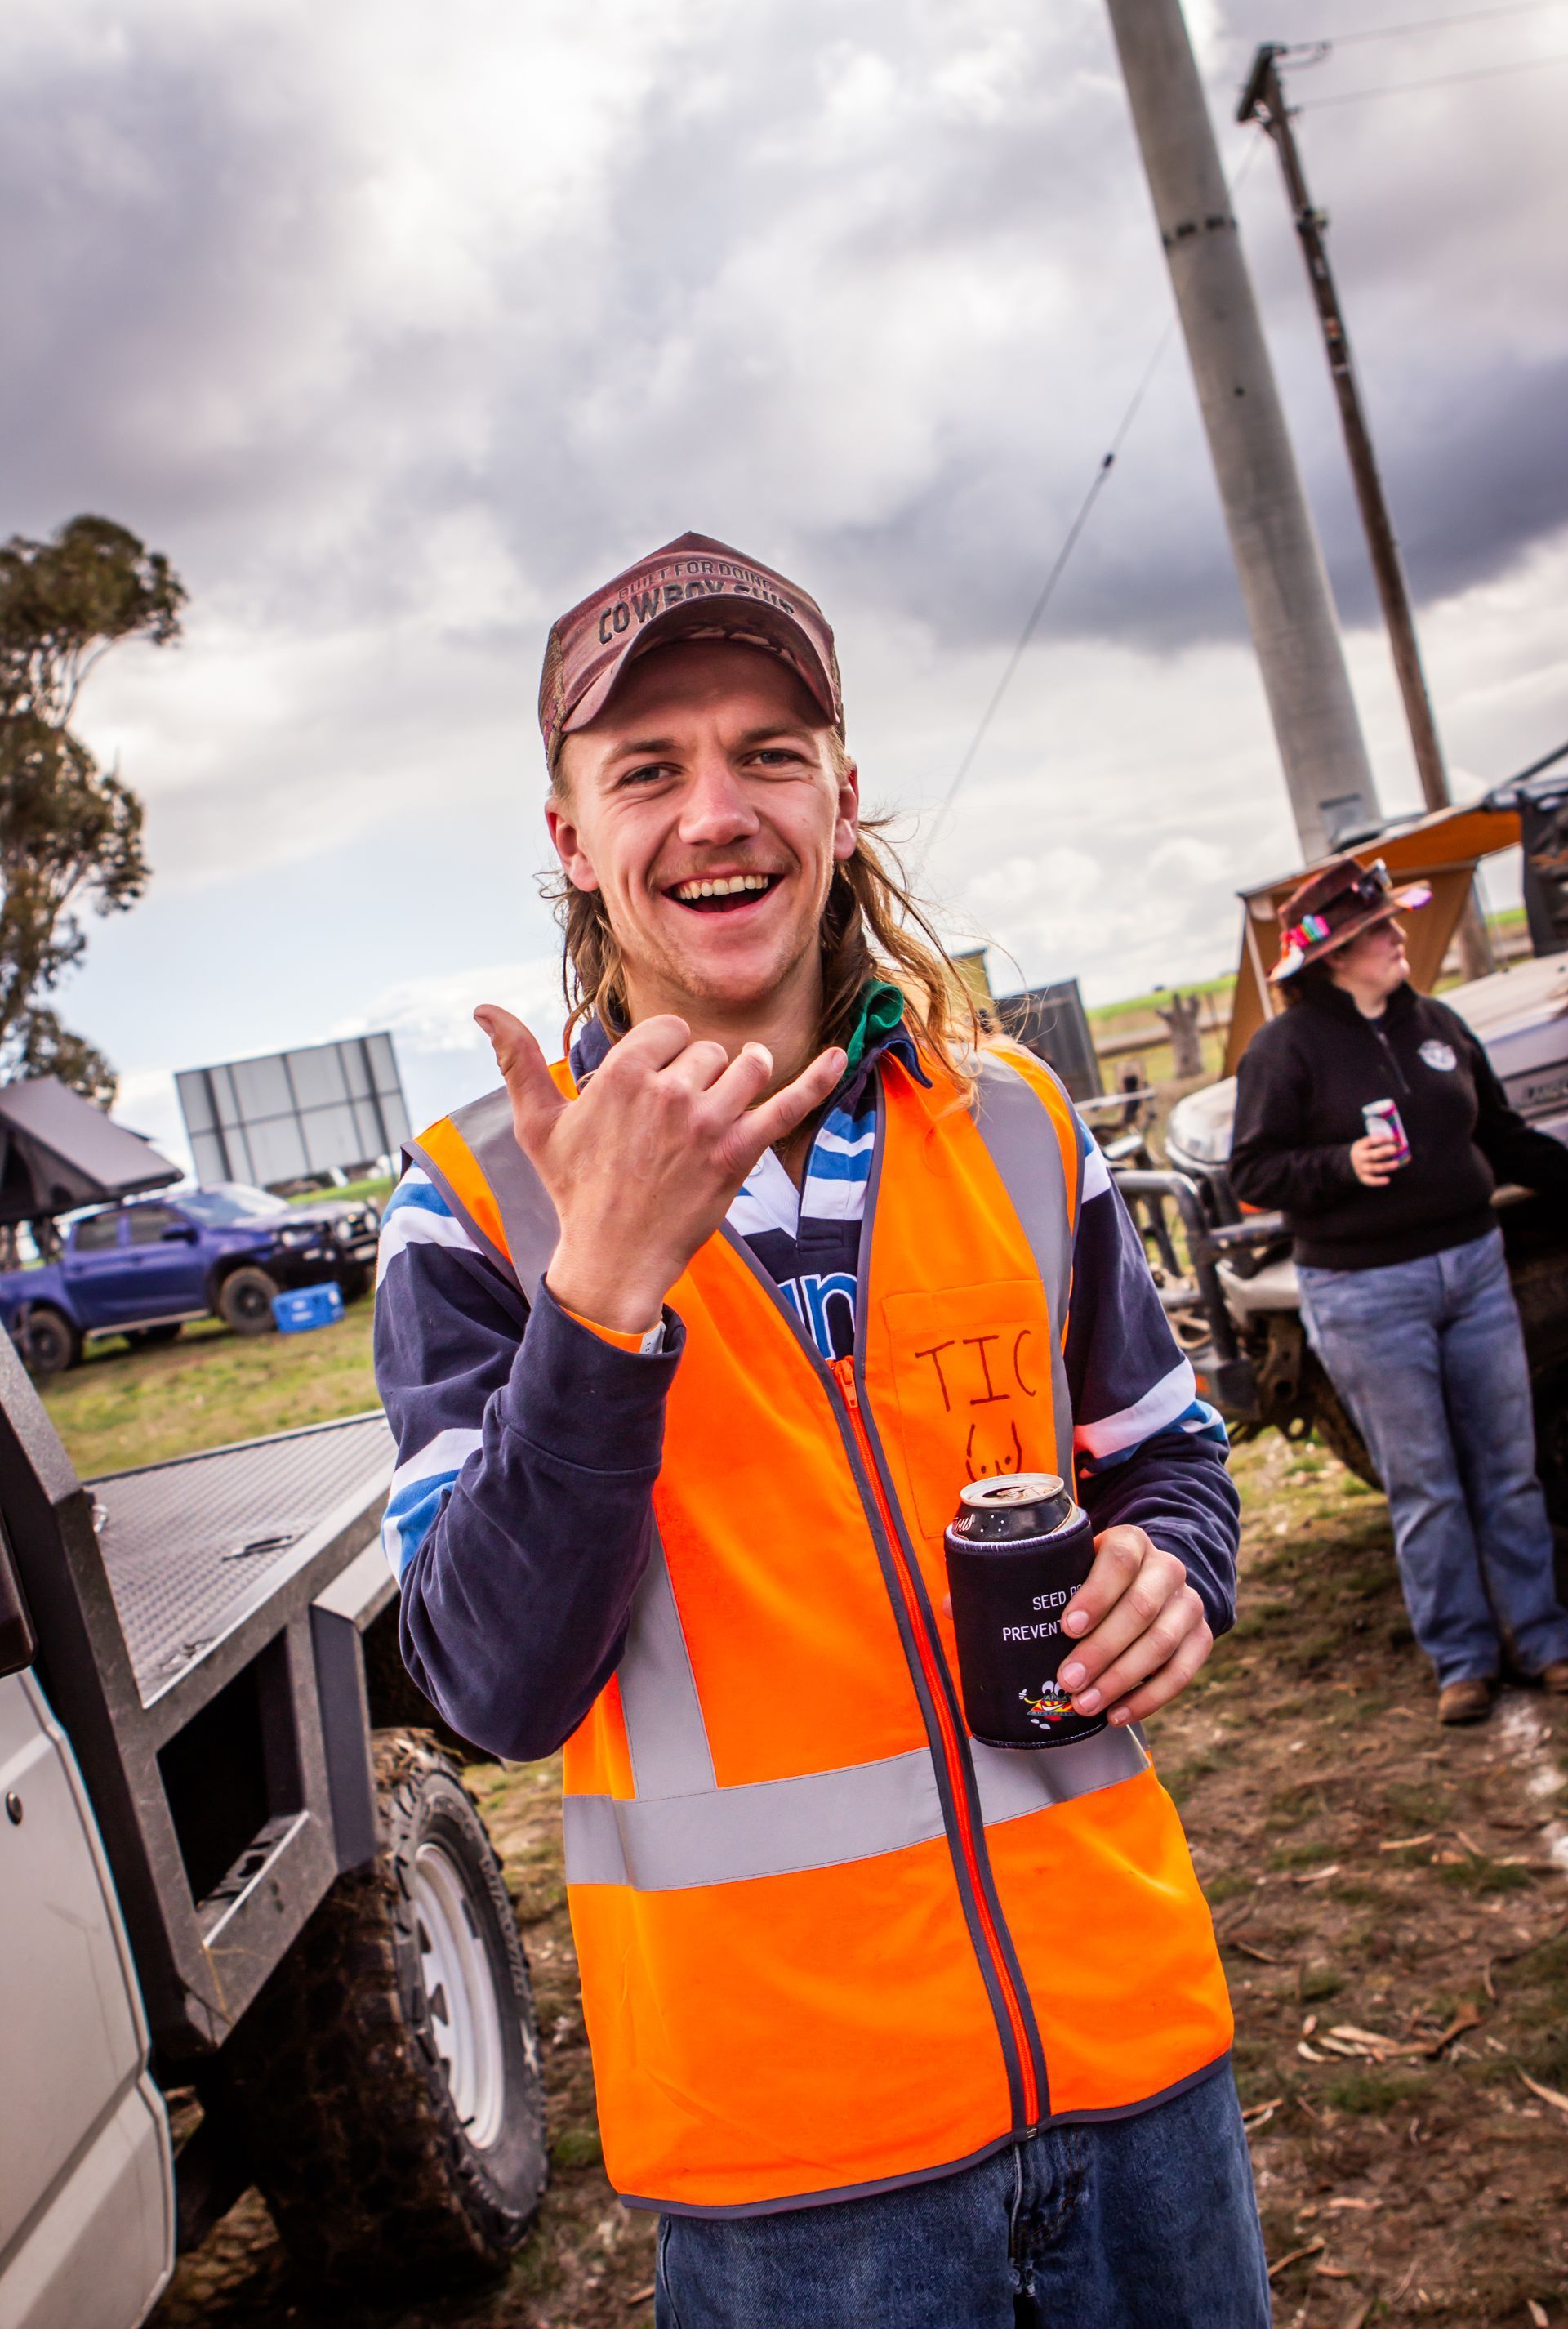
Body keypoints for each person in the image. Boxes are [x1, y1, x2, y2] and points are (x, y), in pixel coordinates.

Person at [374, 532, 1267, 2327]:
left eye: (770, 753)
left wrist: (1180, 1564)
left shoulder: (1014, 1119)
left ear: (843, 797)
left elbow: (1170, 1458)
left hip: (1142, 2066)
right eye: (649, 769)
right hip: (799, 2173)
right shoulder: (475, 1206)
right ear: (571, 836)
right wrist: (602, 1301)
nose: (720, 811)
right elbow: (487, 1684)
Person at [1230, 855, 1568, 1727]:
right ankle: (1462, 1660)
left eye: (1393, 923)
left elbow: (1503, 1135)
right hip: (1365, 1292)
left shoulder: (1441, 1024)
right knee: (1425, 1483)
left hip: (1476, 1269)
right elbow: (1255, 1172)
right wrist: (1341, 1165)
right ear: (1335, 954)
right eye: (1380, 929)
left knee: (1508, 1468)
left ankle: (1542, 1638)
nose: (1399, 935)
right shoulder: (1286, 1050)